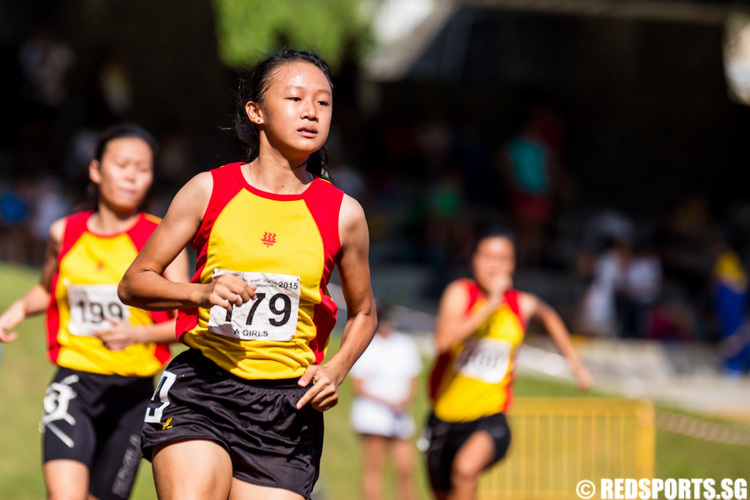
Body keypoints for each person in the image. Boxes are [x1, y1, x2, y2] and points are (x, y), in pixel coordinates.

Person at [117, 49, 377, 500]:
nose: (311, 112)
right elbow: (134, 282)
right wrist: (199, 294)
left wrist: (336, 368)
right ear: (256, 112)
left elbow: (365, 313)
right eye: (295, 98)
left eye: (323, 102)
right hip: (204, 389)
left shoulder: (344, 214)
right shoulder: (208, 189)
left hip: (285, 410)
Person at [0, 123, 189, 500]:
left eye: (143, 168)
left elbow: (186, 322)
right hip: (74, 383)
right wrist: (16, 311)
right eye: (122, 164)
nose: (132, 176)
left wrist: (135, 334)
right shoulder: (63, 233)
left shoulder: (164, 241)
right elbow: (46, 290)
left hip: (134, 394)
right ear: (96, 170)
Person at [424, 228, 593, 500]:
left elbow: (549, 315)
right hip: (444, 420)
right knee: (446, 492)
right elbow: (444, 341)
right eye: (487, 257)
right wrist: (490, 304)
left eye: (503, 259)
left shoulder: (520, 304)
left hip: (490, 417)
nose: (495, 265)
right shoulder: (460, 292)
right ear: (473, 259)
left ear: (513, 265)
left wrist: (576, 364)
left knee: (465, 471)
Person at [349, 304, 422, 500]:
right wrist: (387, 402)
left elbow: (412, 377)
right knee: (375, 468)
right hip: (373, 414)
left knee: (406, 468)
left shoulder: (404, 344)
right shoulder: (367, 345)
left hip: (399, 415)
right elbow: (358, 385)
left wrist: (404, 400)